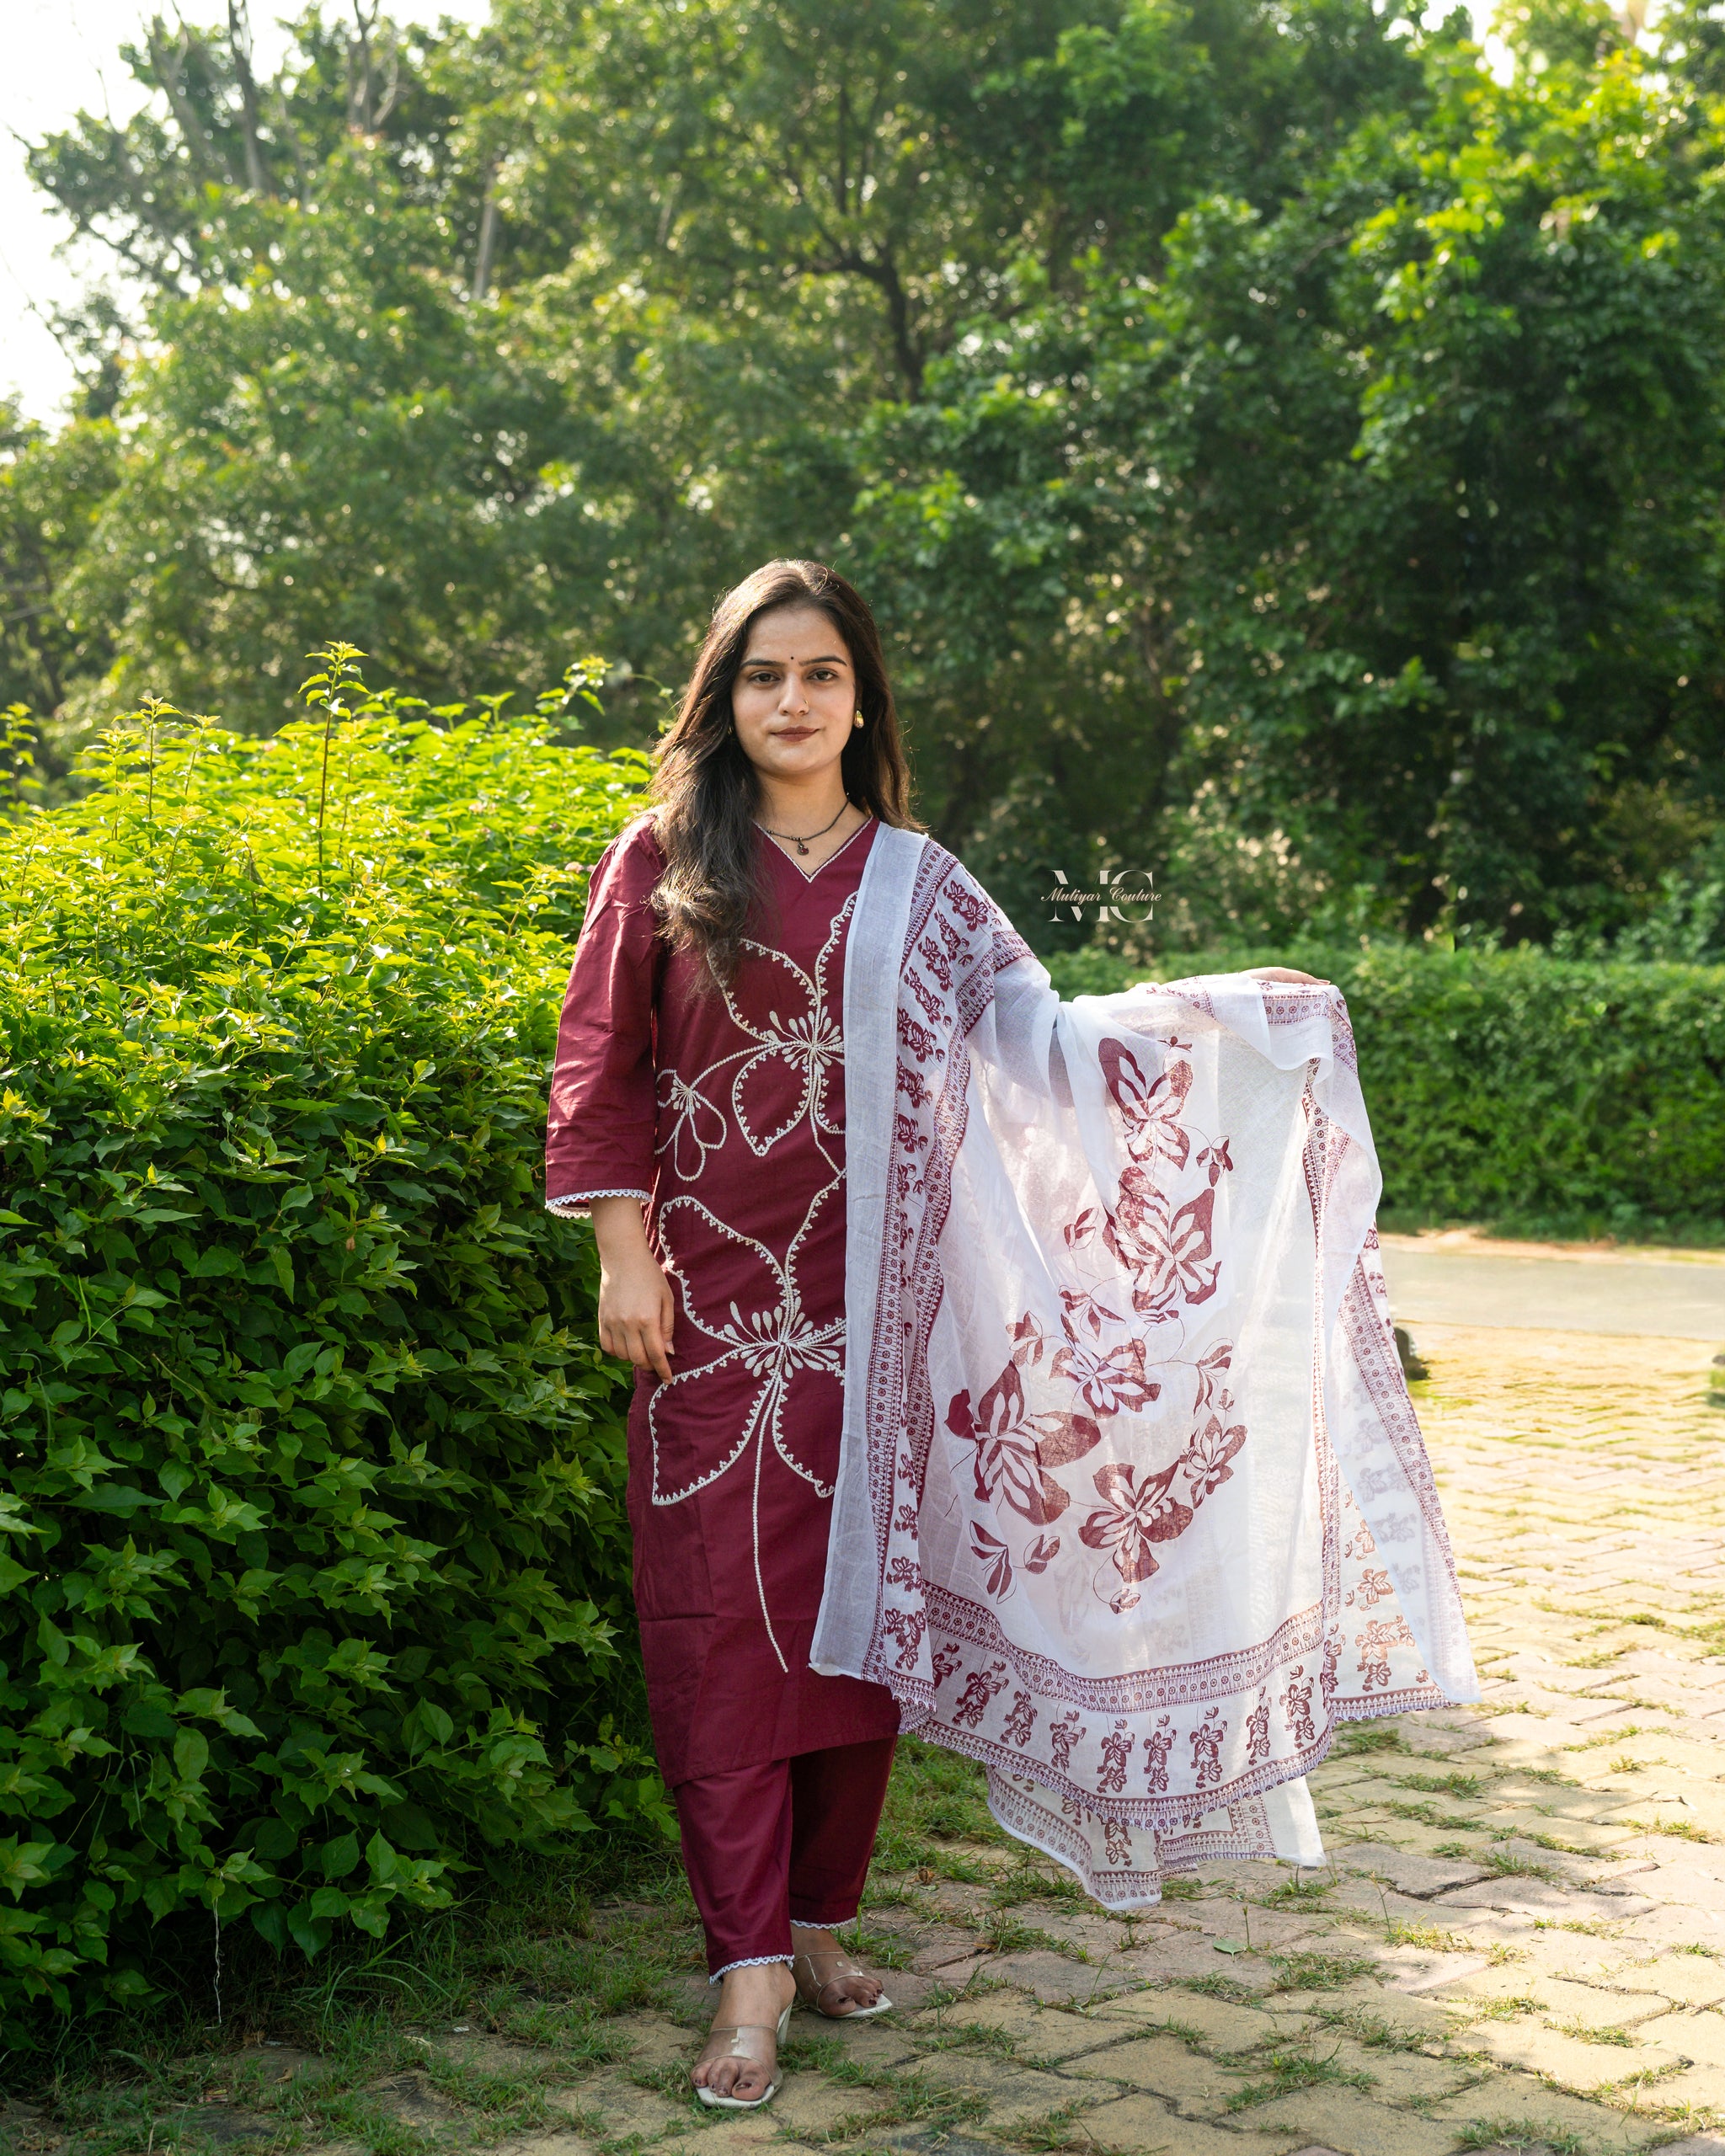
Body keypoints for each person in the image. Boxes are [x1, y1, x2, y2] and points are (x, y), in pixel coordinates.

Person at [544, 560, 1477, 2111]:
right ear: (724, 698)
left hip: (899, 1318)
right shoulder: (661, 862)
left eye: (822, 675)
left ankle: (821, 1926)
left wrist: (1233, 1021)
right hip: (708, 1316)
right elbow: (603, 1066)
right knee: (718, 1631)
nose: (793, 702)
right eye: (764, 676)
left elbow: (1047, 1041)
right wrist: (623, 1254)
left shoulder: (918, 880)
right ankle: (746, 1972)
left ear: (862, 699)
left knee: (862, 1640)